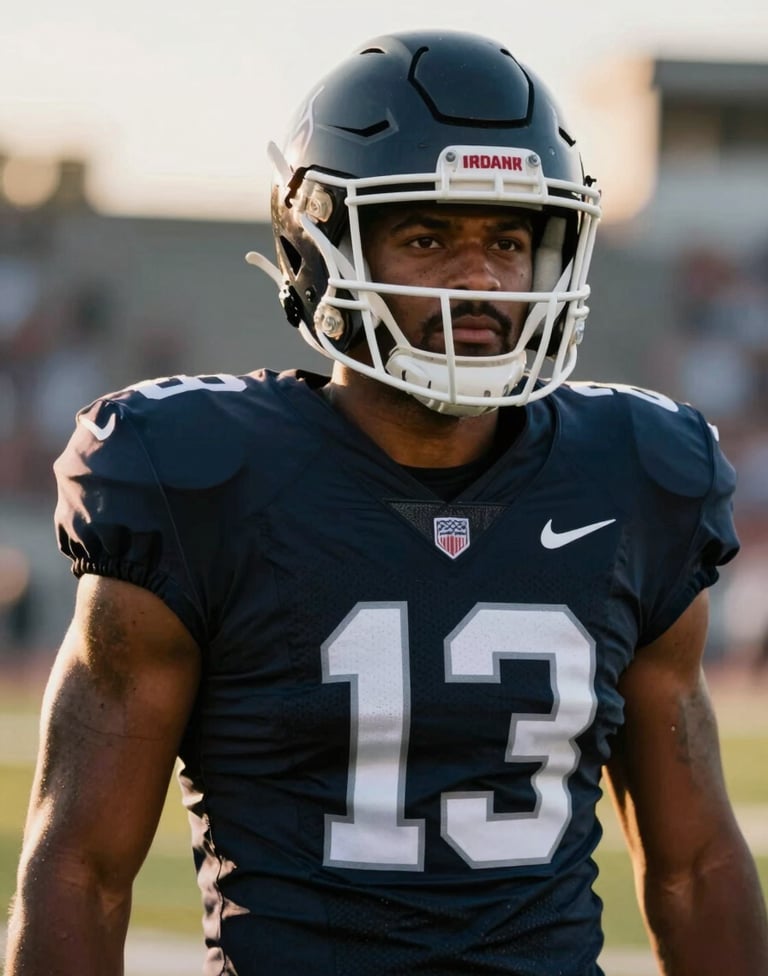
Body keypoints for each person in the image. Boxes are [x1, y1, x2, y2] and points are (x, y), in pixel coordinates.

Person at [5, 29, 768, 976]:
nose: (480, 282)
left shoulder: (637, 476)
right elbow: (80, 869)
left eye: (508, 239)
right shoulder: (195, 479)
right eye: (427, 237)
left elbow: (693, 865)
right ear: (320, 248)